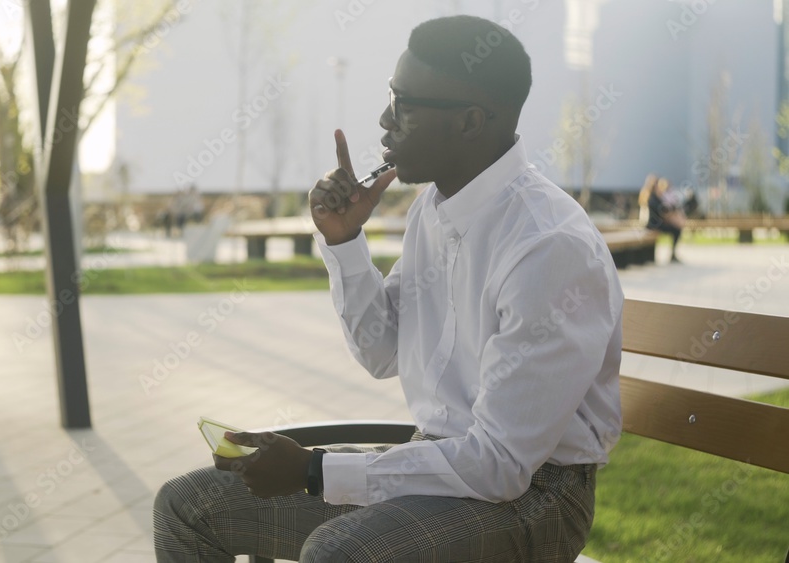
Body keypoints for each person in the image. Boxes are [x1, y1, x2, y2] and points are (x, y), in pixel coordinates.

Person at [155, 15, 623, 563]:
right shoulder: (433, 212)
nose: (384, 120)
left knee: (339, 552)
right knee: (188, 505)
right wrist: (345, 240)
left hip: (536, 497)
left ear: (470, 121)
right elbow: (381, 352)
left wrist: (314, 469)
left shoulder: (546, 247)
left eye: (404, 104)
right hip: (438, 463)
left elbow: (500, 463)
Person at [640, 174, 683, 263]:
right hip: (653, 225)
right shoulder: (652, 197)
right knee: (676, 230)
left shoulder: (655, 196)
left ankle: (673, 254)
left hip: (657, 223)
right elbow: (662, 210)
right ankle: (672, 254)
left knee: (676, 229)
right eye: (657, 184)